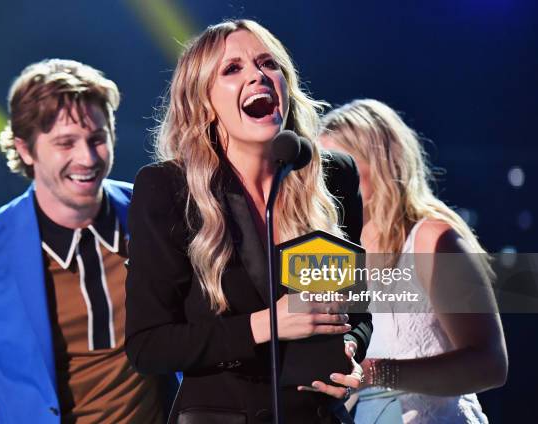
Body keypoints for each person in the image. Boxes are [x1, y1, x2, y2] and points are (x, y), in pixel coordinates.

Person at [124, 20, 371, 424]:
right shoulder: (168, 189)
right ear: (202, 103)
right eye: (232, 69)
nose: (257, 74)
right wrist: (266, 324)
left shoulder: (333, 177)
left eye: (267, 63)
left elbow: (357, 313)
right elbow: (148, 346)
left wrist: (350, 352)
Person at [0, 59, 176, 423]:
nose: (87, 158)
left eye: (97, 139)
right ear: (26, 149)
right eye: (65, 143)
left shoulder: (151, 210)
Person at [315, 99, 508, 423]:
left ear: (381, 162)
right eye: (322, 168)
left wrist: (377, 373)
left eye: (338, 165)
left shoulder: (432, 238)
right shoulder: (331, 254)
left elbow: (490, 364)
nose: (327, 180)